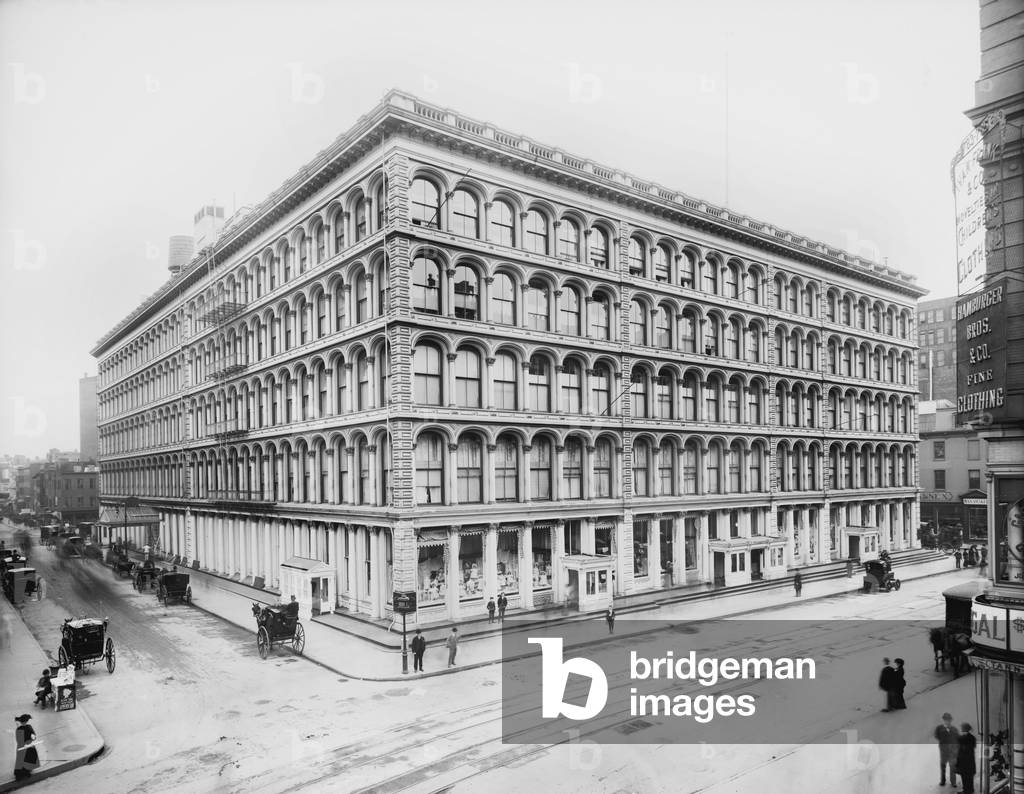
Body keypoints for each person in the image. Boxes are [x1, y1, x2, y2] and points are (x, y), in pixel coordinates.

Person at [934, 713, 960, 787]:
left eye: (948, 720)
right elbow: (936, 735)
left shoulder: (954, 729)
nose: (947, 722)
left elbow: (958, 738)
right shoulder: (939, 728)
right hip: (943, 750)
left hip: (952, 751)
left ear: (951, 721)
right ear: (943, 720)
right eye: (945, 720)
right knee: (943, 766)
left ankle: (953, 782)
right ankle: (942, 780)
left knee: (952, 767)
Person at [13, 714, 39, 781]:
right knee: (22, 760)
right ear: (22, 722)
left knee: (29, 759)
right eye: (24, 721)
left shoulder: (29, 727)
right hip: (23, 747)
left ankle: (27, 771)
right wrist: (25, 744)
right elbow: (19, 740)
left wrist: (33, 737)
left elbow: (33, 734)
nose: (25, 722)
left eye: (26, 721)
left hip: (29, 745)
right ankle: (20, 774)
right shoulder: (19, 729)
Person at [957, 723, 977, 794]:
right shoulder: (972, 738)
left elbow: (962, 749)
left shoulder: (962, 738)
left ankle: (966, 791)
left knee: (965, 777)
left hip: (964, 761)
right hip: (969, 761)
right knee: (969, 777)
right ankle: (969, 790)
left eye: (962, 728)